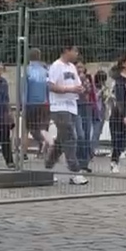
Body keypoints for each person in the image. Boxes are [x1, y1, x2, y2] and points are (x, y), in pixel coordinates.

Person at [46, 44, 90, 185]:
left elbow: (77, 85)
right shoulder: (56, 66)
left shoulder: (72, 67)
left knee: (61, 140)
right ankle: (75, 172)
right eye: (74, 51)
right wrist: (70, 89)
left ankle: (48, 168)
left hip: (72, 107)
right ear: (66, 50)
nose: (77, 54)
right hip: (59, 107)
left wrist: (81, 89)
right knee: (71, 137)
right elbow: (51, 86)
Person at [21, 48, 52, 157]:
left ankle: (24, 153)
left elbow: (24, 89)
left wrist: (23, 104)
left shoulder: (26, 70)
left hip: (30, 103)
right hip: (44, 103)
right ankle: (43, 151)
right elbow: (48, 88)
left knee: (27, 128)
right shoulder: (45, 71)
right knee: (43, 128)